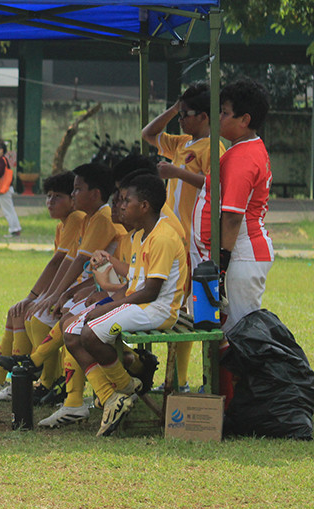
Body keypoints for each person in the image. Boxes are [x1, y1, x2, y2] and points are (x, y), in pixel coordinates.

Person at [63, 173, 187, 437]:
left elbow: (151, 291)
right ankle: (111, 397)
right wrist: (110, 291)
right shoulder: (143, 235)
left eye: (126, 201)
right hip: (142, 303)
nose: (120, 206)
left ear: (144, 206)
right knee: (71, 333)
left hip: (159, 310)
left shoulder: (163, 237)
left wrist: (108, 307)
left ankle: (126, 388)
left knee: (90, 333)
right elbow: (135, 278)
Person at [0, 171, 82, 398]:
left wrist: (37, 297)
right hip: (65, 291)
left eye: (58, 196)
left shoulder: (76, 219)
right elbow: (57, 265)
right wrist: (36, 296)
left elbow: (59, 263)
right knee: (16, 312)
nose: (50, 202)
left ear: (72, 199)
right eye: (48, 196)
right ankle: (1, 379)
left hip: (75, 294)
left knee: (35, 317)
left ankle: (43, 381)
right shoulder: (62, 226)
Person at [142, 83, 225, 391]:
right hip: (174, 236)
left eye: (186, 115)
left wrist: (177, 174)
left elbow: (216, 185)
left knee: (190, 310)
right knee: (177, 307)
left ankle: (183, 381)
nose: (180, 121)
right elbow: (148, 134)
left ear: (203, 116)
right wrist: (176, 108)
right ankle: (175, 380)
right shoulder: (183, 142)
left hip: (195, 240)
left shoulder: (212, 147)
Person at [191, 78, 273, 333]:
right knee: (225, 334)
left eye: (225, 113)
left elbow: (232, 217)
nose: (219, 117)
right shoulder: (241, 150)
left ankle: (247, 376)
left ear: (244, 120)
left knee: (241, 336)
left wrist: (221, 265)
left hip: (241, 257)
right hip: (237, 256)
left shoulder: (243, 157)